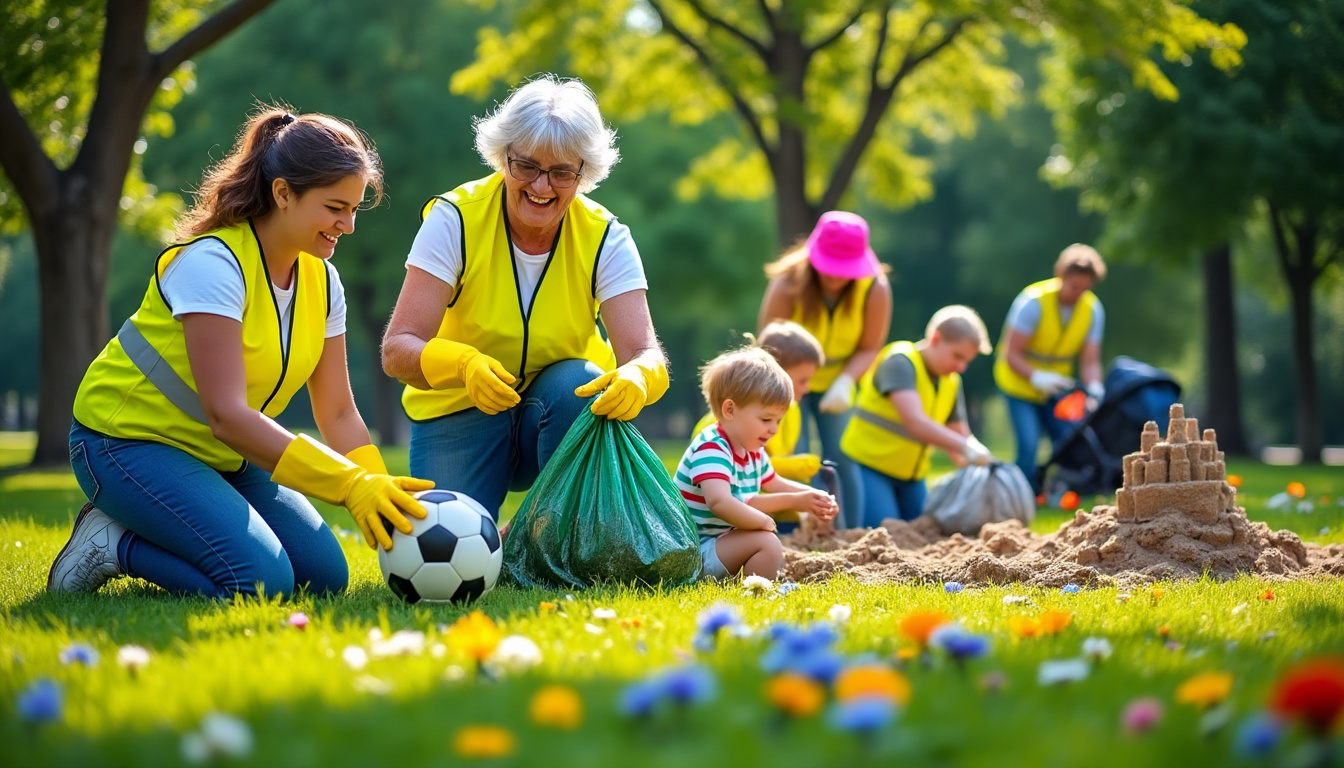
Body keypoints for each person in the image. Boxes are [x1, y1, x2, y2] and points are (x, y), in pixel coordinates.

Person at [48, 107, 432, 599]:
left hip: (225, 455)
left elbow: (337, 412)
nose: (348, 225)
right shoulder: (213, 264)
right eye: (336, 207)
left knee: (324, 579)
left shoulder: (323, 280)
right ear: (283, 194)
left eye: (355, 209)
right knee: (261, 583)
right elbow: (226, 415)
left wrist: (379, 492)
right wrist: (347, 485)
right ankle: (113, 543)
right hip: (125, 444)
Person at [381, 75, 669, 520]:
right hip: (457, 406)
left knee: (580, 386)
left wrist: (640, 375)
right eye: (527, 166)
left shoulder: (606, 236)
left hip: (561, 408)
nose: (541, 186)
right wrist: (462, 365)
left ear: (584, 173)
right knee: (444, 535)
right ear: (503, 156)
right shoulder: (454, 218)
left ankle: (548, 534)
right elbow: (398, 349)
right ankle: (508, 535)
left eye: (561, 173)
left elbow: (644, 352)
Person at [758, 212, 891, 528]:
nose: (835, 277)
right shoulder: (788, 283)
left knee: (843, 457)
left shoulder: (875, 288)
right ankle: (792, 531)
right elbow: (768, 342)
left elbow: (870, 346)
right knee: (794, 455)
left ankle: (849, 531)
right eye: (830, 266)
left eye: (844, 268)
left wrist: (846, 382)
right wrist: (783, 386)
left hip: (840, 380)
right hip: (787, 380)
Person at [675, 348, 839, 580]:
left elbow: (775, 484)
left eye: (778, 421)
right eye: (766, 419)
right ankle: (755, 591)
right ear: (729, 410)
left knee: (766, 541)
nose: (774, 429)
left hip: (716, 544)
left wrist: (812, 496)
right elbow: (719, 501)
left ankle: (748, 582)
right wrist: (763, 520)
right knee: (766, 542)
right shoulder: (712, 447)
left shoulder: (752, 450)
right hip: (691, 552)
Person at [842, 306, 996, 526]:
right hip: (868, 467)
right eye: (957, 356)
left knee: (927, 531)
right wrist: (967, 448)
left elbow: (960, 436)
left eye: (967, 361)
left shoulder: (950, 381)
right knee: (885, 532)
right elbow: (915, 422)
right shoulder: (900, 362)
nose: (961, 367)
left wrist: (983, 469)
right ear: (936, 339)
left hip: (911, 478)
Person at [993, 244, 1107, 491]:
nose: (1078, 293)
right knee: (1029, 444)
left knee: (1068, 439)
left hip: (1056, 389)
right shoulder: (1033, 303)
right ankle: (1022, 497)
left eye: (1085, 288)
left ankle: (1058, 490)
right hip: (1019, 385)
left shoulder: (1093, 310)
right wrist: (1036, 377)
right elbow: (1011, 354)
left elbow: (1090, 361)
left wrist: (1094, 388)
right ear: (1060, 275)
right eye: (1074, 286)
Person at [690, 321, 825, 483]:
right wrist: (789, 467)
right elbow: (729, 469)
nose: (807, 388)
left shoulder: (793, 410)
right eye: (802, 380)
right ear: (775, 372)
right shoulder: (717, 425)